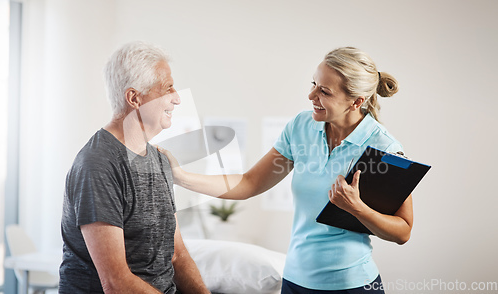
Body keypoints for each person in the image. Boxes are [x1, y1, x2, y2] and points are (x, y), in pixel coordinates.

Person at [163, 47, 413, 293]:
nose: (311, 95)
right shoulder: (301, 127)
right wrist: (181, 177)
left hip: (350, 285)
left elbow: (402, 231)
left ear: (356, 101)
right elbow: (249, 183)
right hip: (294, 282)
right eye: (313, 84)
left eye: (324, 91)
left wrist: (358, 209)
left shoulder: (384, 148)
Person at [59, 41, 210, 294]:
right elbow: (116, 283)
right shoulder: (97, 165)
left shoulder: (159, 160)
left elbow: (177, 256)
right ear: (134, 98)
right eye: (168, 88)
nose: (177, 98)